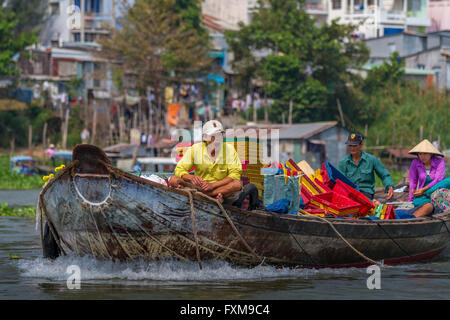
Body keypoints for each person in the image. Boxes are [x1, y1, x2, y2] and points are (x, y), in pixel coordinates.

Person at [169, 120, 243, 204]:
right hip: (200, 187)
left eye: (219, 135)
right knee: (173, 180)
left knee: (237, 184)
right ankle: (210, 196)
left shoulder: (229, 149)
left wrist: (212, 185)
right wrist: (191, 177)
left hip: (221, 188)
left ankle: (208, 195)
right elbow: (179, 169)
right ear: (205, 137)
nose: (217, 139)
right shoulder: (196, 149)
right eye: (213, 136)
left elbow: (234, 175)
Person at [338, 133, 394, 203]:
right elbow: (339, 182)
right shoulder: (343, 162)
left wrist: (389, 186)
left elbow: (384, 174)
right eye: (350, 145)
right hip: (349, 193)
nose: (352, 148)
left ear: (361, 145)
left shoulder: (371, 159)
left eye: (355, 145)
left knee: (364, 203)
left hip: (366, 192)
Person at [406, 139, 446, 217]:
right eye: (420, 154)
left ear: (431, 154)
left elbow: (438, 179)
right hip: (423, 194)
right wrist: (410, 200)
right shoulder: (415, 162)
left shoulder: (440, 162)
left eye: (425, 153)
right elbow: (413, 182)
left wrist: (423, 190)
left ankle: (428, 199)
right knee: (417, 202)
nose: (422, 156)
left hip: (437, 191)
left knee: (448, 181)